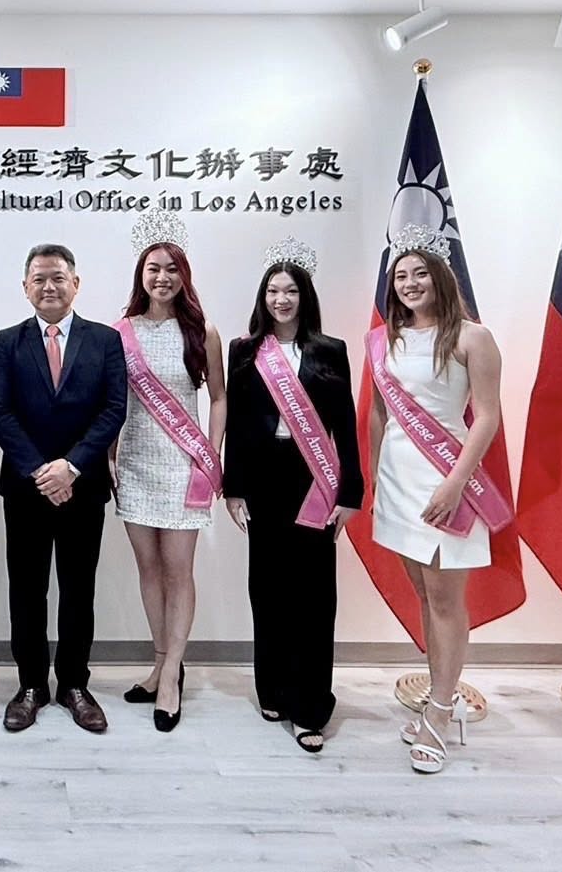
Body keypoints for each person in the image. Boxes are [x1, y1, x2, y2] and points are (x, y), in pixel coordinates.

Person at [368, 224, 506, 774]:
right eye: (401, 276)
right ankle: (436, 696)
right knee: (424, 598)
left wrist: (455, 481)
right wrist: (376, 477)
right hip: (398, 482)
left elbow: (488, 416)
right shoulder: (387, 339)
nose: (409, 283)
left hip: (448, 481)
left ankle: (444, 712)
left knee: (447, 601)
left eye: (419, 273)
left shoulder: (473, 337)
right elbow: (379, 412)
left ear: (440, 277)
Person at [222, 238, 362, 753]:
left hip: (314, 481)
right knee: (268, 590)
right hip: (263, 480)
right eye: (273, 291)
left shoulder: (331, 350)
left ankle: (310, 707)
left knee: (314, 597)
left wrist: (350, 491)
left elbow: (345, 424)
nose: (281, 300)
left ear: (305, 297)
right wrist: (233, 487)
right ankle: (274, 689)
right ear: (263, 298)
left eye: (291, 291)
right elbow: (237, 424)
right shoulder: (244, 350)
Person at [0, 243, 128, 733]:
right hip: (25, 489)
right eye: (39, 279)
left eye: (58, 278)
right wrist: (40, 471)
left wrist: (71, 466)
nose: (49, 287)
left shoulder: (105, 341)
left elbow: (113, 409)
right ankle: (30, 685)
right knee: (26, 590)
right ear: (25, 287)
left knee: (78, 589)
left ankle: (74, 684)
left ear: (76, 284)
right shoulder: (6, 343)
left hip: (82, 488)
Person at [110, 214, 225, 732]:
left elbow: (218, 398)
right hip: (135, 464)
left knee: (180, 570)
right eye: (153, 269)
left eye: (172, 269)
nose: (162, 277)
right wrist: (110, 457)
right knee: (149, 569)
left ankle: (173, 674)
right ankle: (160, 662)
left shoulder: (202, 331)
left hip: (184, 464)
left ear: (185, 276)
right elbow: (114, 403)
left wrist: (211, 455)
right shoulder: (121, 332)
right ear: (141, 275)